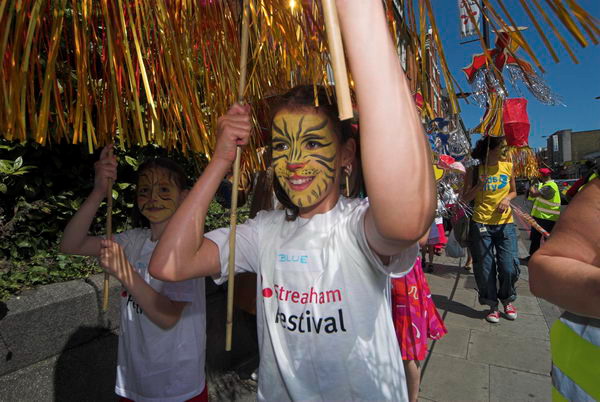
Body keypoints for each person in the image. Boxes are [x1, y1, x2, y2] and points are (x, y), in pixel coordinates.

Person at [149, 2, 436, 400]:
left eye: (314, 142)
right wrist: (220, 161)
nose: (295, 160)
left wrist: (360, 12)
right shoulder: (263, 232)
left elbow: (407, 221)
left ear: (347, 156)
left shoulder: (358, 225)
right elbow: (169, 264)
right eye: (282, 144)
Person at [60, 147, 207, 402]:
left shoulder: (190, 247)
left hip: (177, 388)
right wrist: (98, 192)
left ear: (184, 197)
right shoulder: (134, 240)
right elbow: (71, 244)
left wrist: (124, 271)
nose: (152, 198)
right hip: (133, 382)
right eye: (144, 191)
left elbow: (167, 317)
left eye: (163, 189)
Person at [528, 179, 600, 400]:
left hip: (546, 220)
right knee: (534, 244)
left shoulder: (548, 185)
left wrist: (535, 191)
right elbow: (544, 271)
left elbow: (545, 195)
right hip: (581, 386)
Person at [462, 136, 520, 323]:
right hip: (481, 224)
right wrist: (479, 184)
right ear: (490, 150)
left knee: (508, 266)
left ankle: (507, 299)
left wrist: (507, 199)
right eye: (501, 147)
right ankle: (492, 305)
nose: (504, 150)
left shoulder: (507, 166)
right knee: (485, 267)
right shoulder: (474, 170)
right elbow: (464, 198)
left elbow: (513, 191)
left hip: (505, 224)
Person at [392, 234, 447, 402]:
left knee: (408, 349)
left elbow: (421, 240)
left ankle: (412, 398)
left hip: (403, 278)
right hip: (387, 277)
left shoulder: (413, 210)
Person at [526, 167, 560, 257]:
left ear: (542, 176)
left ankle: (550, 257)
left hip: (547, 218)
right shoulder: (544, 185)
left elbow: (533, 194)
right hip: (540, 217)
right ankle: (532, 256)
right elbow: (533, 197)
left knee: (546, 239)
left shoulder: (550, 186)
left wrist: (532, 184)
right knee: (535, 238)